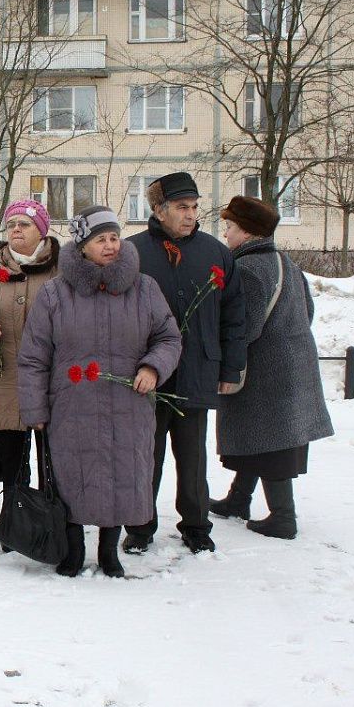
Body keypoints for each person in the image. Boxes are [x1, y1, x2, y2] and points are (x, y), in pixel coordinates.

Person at [18, 206, 182, 577]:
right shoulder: (55, 294)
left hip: (129, 405)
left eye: (113, 238)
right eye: (100, 240)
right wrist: (35, 409)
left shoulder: (144, 288)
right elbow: (33, 356)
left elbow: (169, 337)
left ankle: (109, 552)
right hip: (71, 408)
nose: (110, 246)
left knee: (122, 475)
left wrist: (152, 367)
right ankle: (73, 550)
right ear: (81, 247)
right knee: (71, 477)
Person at [124, 172, 247, 555]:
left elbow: (234, 315)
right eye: (181, 207)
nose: (191, 214)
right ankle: (140, 527)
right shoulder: (133, 253)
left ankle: (196, 526)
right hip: (148, 376)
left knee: (193, 459)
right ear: (159, 210)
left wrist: (230, 368)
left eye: (194, 207)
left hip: (197, 371)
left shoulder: (216, 253)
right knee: (146, 458)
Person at [211, 196, 333, 539]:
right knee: (259, 435)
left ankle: (283, 517)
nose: (226, 233)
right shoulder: (284, 262)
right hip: (293, 365)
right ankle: (238, 499)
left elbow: (245, 327)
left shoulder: (249, 268)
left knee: (270, 441)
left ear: (248, 232)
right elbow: (308, 311)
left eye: (230, 227)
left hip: (266, 372)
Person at [0, 199, 60, 498]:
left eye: (24, 224)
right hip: (5, 380)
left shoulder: (60, 269)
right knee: (12, 465)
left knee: (53, 464)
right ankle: (15, 515)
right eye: (11, 225)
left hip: (50, 380)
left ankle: (50, 516)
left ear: (41, 230)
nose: (16, 229)